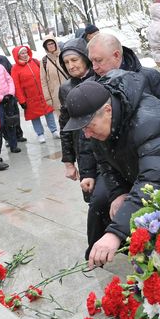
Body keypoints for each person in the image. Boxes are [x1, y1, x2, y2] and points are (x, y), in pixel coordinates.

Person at [63, 79, 160, 267]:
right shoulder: (99, 126)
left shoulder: (149, 119)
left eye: (89, 126)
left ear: (107, 110)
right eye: (83, 129)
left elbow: (154, 178)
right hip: (151, 186)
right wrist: (118, 192)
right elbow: (105, 162)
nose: (87, 134)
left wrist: (115, 233)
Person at [86, 32, 160, 114]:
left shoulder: (149, 77)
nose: (94, 67)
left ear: (116, 55)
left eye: (98, 60)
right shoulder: (92, 87)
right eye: (91, 61)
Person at [57, 38, 97, 200]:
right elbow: (65, 126)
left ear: (85, 58)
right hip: (83, 151)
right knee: (92, 197)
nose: (71, 65)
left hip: (108, 147)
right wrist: (68, 161)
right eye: (66, 62)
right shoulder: (65, 88)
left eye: (74, 60)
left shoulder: (101, 78)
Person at [11, 45, 59, 143]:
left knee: (49, 112)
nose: (24, 55)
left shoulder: (35, 62)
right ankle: (40, 134)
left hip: (42, 93)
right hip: (30, 97)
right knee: (35, 116)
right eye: (22, 54)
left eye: (25, 52)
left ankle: (54, 130)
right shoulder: (15, 68)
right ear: (17, 55)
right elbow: (17, 86)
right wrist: (21, 100)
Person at [40, 35, 67, 112]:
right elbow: (43, 81)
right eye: (49, 44)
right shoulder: (44, 61)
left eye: (52, 43)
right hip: (56, 97)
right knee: (62, 120)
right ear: (45, 47)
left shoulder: (63, 55)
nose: (51, 46)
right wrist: (48, 98)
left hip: (70, 92)